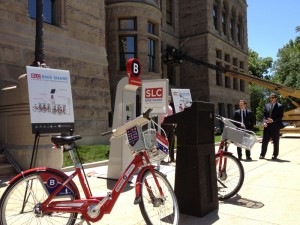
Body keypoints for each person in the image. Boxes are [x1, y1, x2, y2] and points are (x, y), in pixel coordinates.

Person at [259, 93, 284, 160]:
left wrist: (272, 120)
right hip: (267, 126)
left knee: (275, 142)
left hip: (275, 127)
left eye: (272, 97)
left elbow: (280, 117)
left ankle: (274, 155)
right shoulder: (266, 105)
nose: (271, 99)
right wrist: (264, 122)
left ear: (275, 98)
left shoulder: (280, 106)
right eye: (270, 97)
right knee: (264, 141)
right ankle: (262, 155)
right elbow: (264, 115)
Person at [161, 95, 176, 162]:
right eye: (168, 100)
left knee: (171, 142)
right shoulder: (162, 107)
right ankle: (162, 158)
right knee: (163, 142)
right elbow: (164, 116)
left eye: (169, 101)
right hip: (164, 125)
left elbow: (172, 116)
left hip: (171, 125)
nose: (169, 102)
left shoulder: (170, 107)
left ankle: (171, 157)